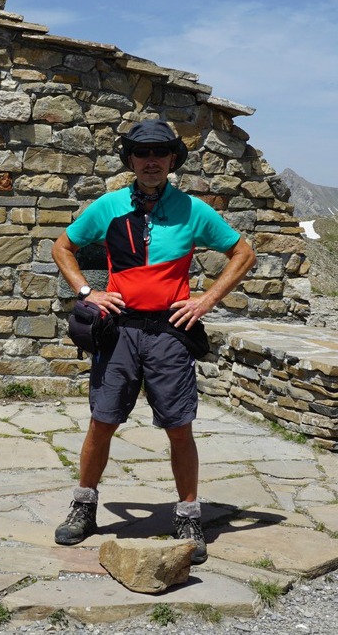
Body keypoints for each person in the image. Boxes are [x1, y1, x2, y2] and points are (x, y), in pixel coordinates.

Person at [50, 119, 256, 563]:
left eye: (160, 153)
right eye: (142, 153)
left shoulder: (191, 209)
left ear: (172, 160)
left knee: (179, 428)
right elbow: (62, 247)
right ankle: (83, 508)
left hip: (169, 333)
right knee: (102, 422)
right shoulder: (109, 206)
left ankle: (187, 515)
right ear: (130, 160)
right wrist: (88, 292)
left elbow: (243, 252)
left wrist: (206, 301)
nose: (151, 161)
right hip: (120, 329)